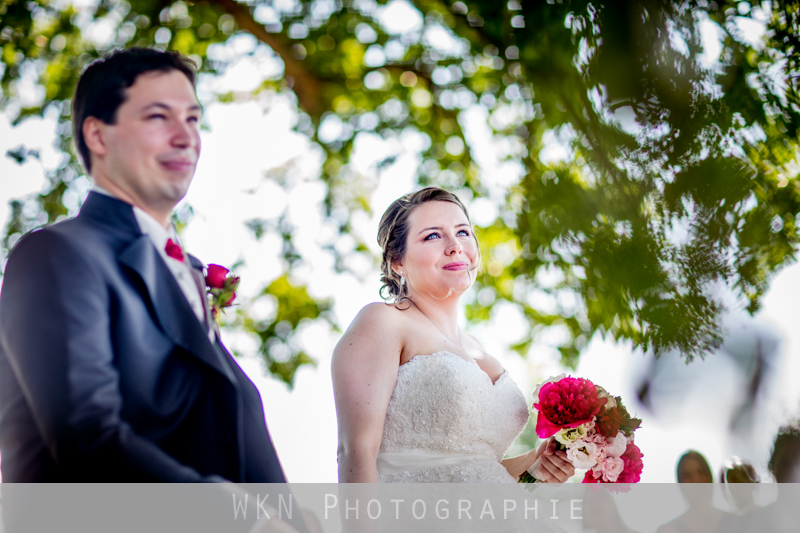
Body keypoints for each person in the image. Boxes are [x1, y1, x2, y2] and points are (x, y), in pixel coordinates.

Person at [0, 48, 286, 483]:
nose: (186, 136)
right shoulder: (56, 255)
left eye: (192, 118)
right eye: (158, 117)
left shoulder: (186, 269)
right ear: (98, 136)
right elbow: (85, 437)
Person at [331, 187, 575, 483]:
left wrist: (535, 461)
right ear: (397, 261)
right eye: (432, 236)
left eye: (463, 232)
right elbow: (356, 450)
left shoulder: (479, 349)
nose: (455, 246)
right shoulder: (383, 321)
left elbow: (475, 471)